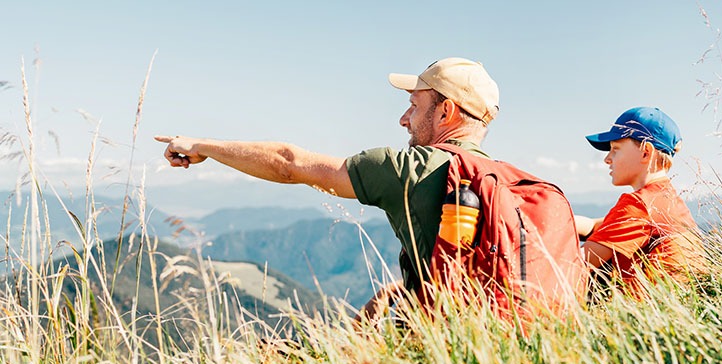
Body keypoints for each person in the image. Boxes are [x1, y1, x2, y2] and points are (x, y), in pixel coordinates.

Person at [155, 57, 500, 320]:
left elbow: (288, 164)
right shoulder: (507, 183)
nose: (404, 119)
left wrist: (202, 146)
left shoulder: (411, 170)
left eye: (414, 105)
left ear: (446, 113)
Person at [575, 107, 705, 297]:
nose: (607, 159)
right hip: (679, 310)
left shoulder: (639, 204)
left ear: (646, 152)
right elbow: (597, 226)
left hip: (647, 316)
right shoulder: (665, 199)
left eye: (615, 149)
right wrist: (552, 219)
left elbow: (574, 265)